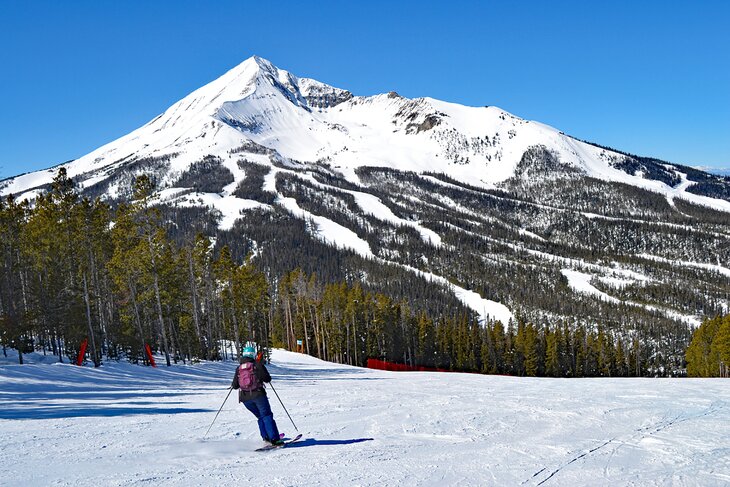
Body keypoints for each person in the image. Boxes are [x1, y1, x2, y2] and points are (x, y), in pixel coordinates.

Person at [232, 346, 283, 446]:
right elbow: (267, 379)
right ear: (253, 355)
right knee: (266, 415)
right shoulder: (256, 365)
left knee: (260, 416)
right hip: (258, 395)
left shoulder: (239, 368)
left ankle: (266, 438)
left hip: (245, 398)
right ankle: (274, 439)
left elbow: (235, 386)